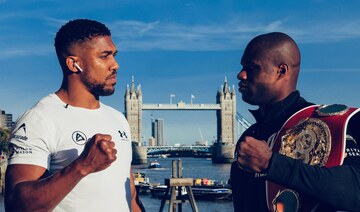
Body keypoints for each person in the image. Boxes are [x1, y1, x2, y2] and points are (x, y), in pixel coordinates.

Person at [5, 19, 144, 211]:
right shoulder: (39, 119)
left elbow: (131, 197)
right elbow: (16, 204)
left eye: (114, 55)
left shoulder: (118, 119)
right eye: (105, 56)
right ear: (74, 64)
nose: (115, 65)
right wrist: (82, 166)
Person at [231, 32, 360, 211]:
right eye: (242, 67)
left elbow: (356, 189)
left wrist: (271, 164)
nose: (241, 75)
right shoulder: (251, 134)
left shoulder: (329, 124)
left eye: (251, 67)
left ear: (281, 71)